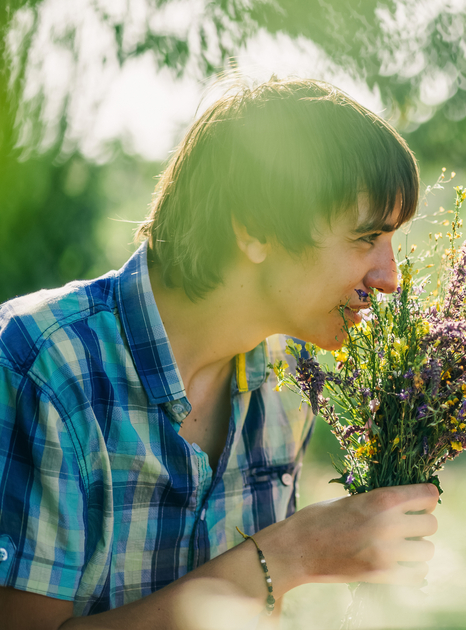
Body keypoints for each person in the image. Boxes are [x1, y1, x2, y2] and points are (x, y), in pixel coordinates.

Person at [0, 77, 439, 627]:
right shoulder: (46, 365)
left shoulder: (288, 381)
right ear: (254, 228)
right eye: (365, 238)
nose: (390, 278)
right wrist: (285, 556)